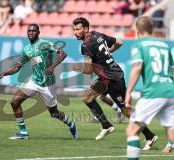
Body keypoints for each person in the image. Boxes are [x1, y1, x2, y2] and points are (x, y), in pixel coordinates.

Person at [72, 17, 157, 146]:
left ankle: (150, 136)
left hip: (113, 79)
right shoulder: (98, 35)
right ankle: (106, 125)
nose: (74, 32)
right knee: (87, 97)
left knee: (126, 111)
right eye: (74, 29)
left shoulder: (86, 46)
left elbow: (88, 70)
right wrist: (110, 51)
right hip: (106, 77)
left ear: (86, 29)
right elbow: (119, 42)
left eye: (77, 29)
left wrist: (79, 67)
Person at [0, 24, 77, 140]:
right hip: (33, 81)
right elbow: (18, 67)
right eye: (29, 31)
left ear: (38, 32)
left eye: (34, 31)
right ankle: (23, 133)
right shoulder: (26, 50)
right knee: (15, 102)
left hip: (48, 84)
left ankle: (71, 124)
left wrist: (52, 67)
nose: (31, 33)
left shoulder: (45, 44)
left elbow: (63, 54)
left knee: (54, 113)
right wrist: (5, 73)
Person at [125, 16, 174, 159]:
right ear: (151, 29)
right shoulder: (164, 45)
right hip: (170, 91)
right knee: (171, 133)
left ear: (138, 30)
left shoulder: (139, 45)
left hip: (153, 92)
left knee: (132, 130)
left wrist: (129, 92)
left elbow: (137, 67)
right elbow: (172, 70)